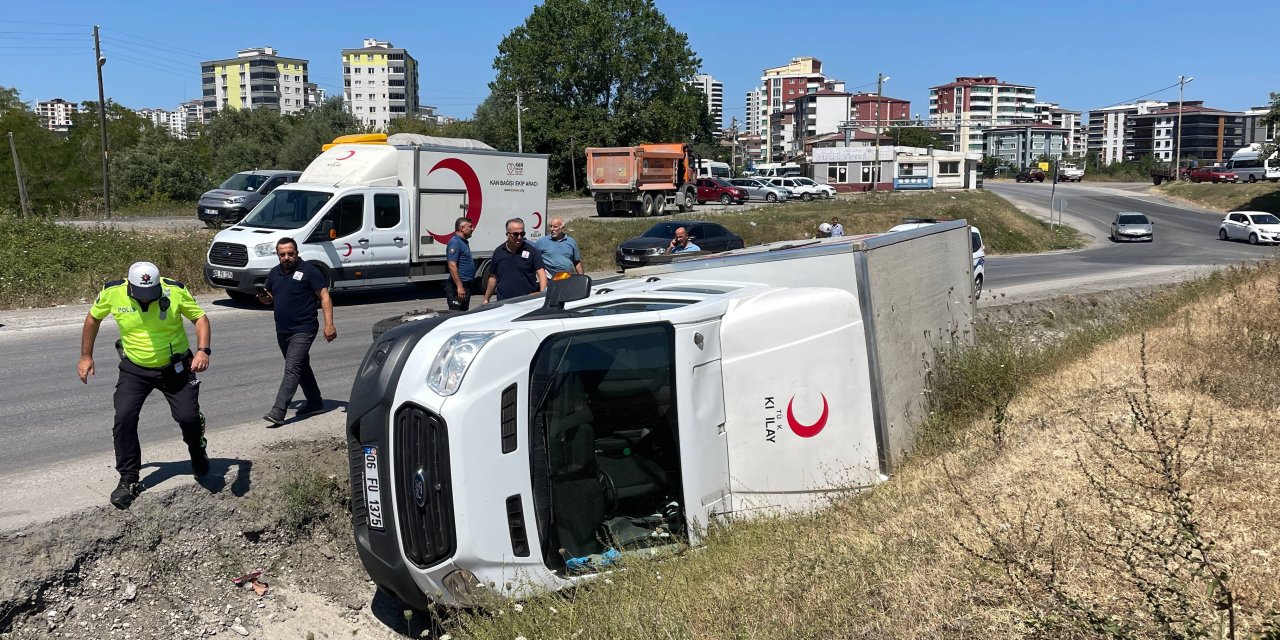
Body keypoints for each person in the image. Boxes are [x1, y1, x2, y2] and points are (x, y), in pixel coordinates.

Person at [78, 261, 212, 510]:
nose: (148, 299)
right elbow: (92, 319)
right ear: (130, 286)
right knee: (124, 418)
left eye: (152, 294)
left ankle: (197, 450)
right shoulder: (112, 292)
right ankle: (129, 479)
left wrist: (203, 351)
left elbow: (200, 318)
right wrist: (86, 355)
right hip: (135, 369)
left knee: (188, 418)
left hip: (175, 368)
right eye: (142, 294)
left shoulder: (174, 291)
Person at [258, 238, 336, 426]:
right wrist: (265, 298)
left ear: (297, 253)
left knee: (292, 368)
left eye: (290, 253)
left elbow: (324, 297)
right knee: (300, 366)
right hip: (282, 329)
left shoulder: (309, 271)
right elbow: (270, 296)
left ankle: (278, 411)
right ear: (278, 255)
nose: (286, 257)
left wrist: (329, 324)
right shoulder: (274, 273)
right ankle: (315, 402)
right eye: (282, 254)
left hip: (304, 328)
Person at [483, 218, 547, 304]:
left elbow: (541, 272)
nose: (519, 237)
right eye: (516, 234)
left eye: (522, 234)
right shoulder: (499, 252)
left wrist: (542, 293)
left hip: (527, 301)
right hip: (505, 302)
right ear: (507, 234)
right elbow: (493, 277)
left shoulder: (532, 251)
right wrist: (486, 299)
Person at [445, 216, 475, 311]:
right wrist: (459, 286)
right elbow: (452, 266)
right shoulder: (455, 242)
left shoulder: (462, 242)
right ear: (462, 228)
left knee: (463, 312)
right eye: (470, 226)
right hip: (457, 287)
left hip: (466, 285)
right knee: (456, 313)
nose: (472, 229)